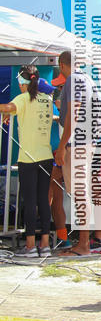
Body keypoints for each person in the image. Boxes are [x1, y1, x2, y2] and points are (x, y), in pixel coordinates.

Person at [54, 50, 101, 256]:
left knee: (80, 194)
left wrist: (62, 144)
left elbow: (73, 113)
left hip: (77, 144)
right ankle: (91, 240)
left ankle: (83, 244)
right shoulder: (90, 81)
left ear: (62, 65)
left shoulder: (72, 80)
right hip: (92, 143)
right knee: (90, 192)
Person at [0, 65, 53, 262]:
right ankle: (45, 245)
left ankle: (30, 245)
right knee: (43, 201)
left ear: (22, 82)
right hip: (46, 156)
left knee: (29, 201)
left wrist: (7, 111)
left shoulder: (22, 98)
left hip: (28, 158)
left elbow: (8, 108)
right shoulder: (46, 99)